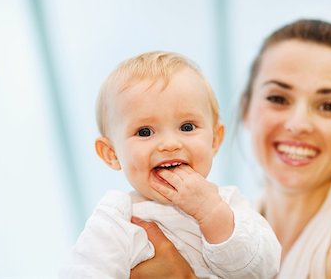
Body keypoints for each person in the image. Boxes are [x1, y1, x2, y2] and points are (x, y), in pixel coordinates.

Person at [130, 20, 331, 279]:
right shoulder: (237, 219)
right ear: (245, 109)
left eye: (328, 106)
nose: (298, 124)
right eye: (279, 98)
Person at [59, 51, 281, 279]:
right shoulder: (115, 220)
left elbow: (264, 270)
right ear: (112, 153)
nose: (170, 144)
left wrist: (213, 214)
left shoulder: (229, 204)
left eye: (187, 127)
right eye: (144, 132)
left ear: (215, 140)